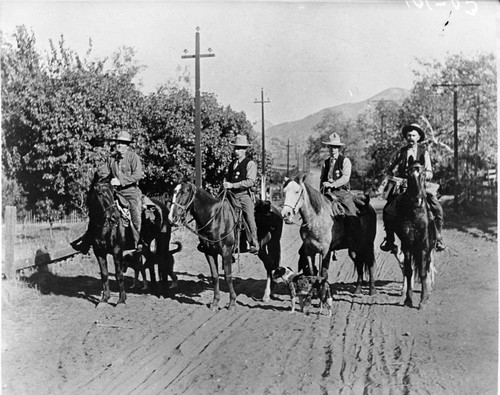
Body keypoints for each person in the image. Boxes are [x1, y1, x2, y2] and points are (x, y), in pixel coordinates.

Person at [71, 130, 144, 253]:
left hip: (131, 192)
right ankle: (88, 240)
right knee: (98, 210)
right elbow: (104, 170)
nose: (119, 145)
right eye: (118, 143)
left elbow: (138, 175)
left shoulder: (133, 157)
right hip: (115, 192)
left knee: (136, 213)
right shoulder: (111, 159)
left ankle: (139, 241)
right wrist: (99, 174)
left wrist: (121, 181)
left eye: (122, 143)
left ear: (127, 145)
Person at [380, 123, 445, 253]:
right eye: (408, 135)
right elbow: (390, 169)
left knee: (437, 209)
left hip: (420, 185)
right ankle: (390, 239)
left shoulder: (424, 152)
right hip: (404, 186)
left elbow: (430, 172)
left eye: (413, 135)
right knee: (388, 210)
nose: (411, 138)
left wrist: (421, 175)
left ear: (418, 137)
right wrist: (395, 178)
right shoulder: (401, 152)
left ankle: (438, 238)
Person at [319, 132, 358, 260]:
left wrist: (334, 184)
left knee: (350, 211)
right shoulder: (325, 163)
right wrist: (322, 190)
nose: (332, 150)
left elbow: (345, 177)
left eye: (335, 147)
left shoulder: (345, 161)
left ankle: (352, 238)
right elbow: (322, 178)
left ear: (339, 148)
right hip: (327, 193)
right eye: (330, 147)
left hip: (342, 192)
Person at [223, 134, 259, 254]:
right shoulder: (231, 164)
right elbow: (227, 178)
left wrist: (233, 185)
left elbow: (250, 181)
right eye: (235, 148)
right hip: (230, 196)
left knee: (249, 216)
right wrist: (225, 184)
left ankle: (254, 242)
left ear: (245, 150)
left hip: (243, 195)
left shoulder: (250, 164)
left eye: (239, 148)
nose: (236, 151)